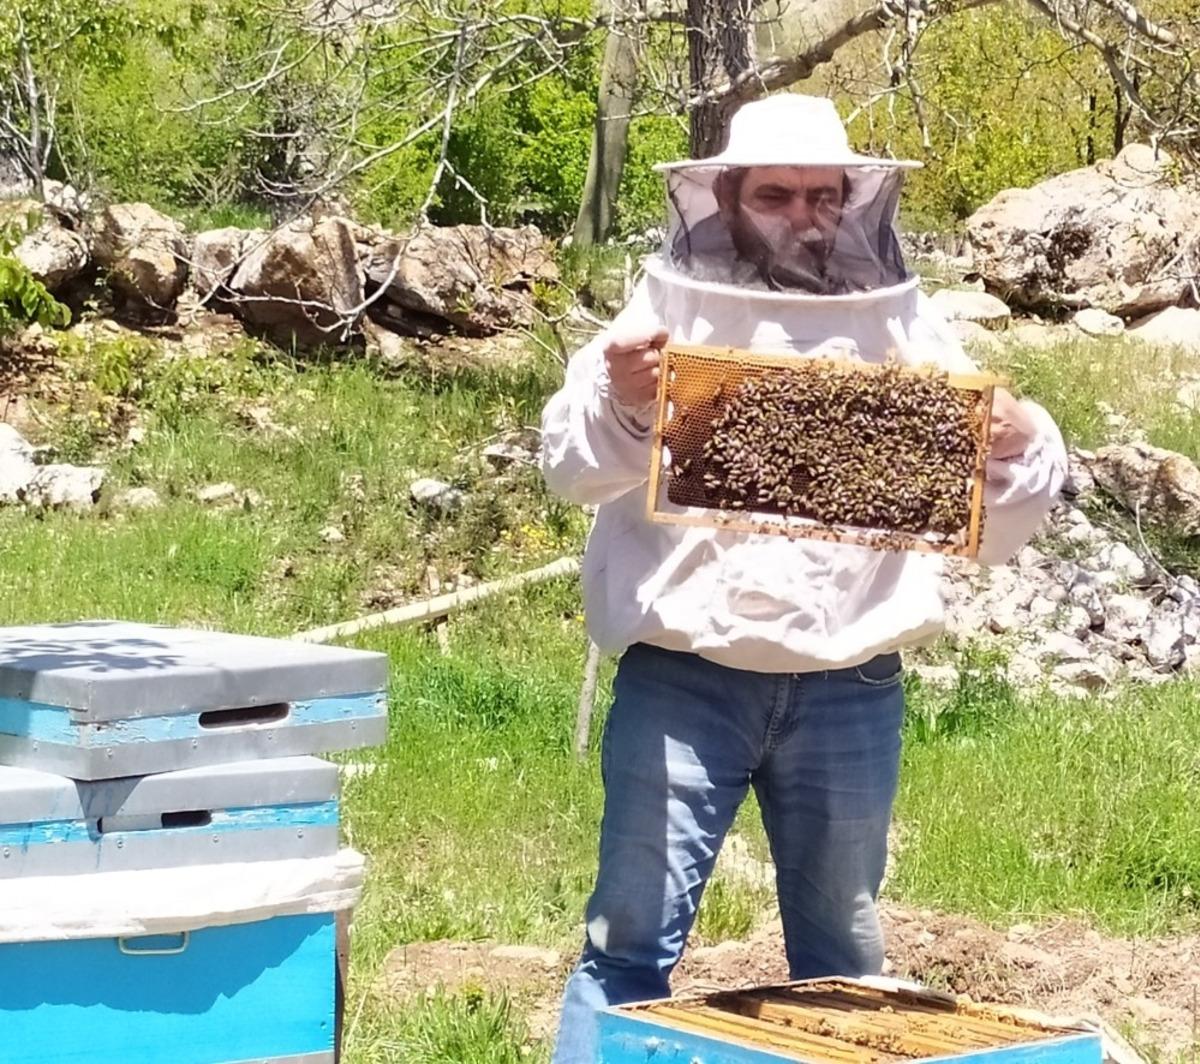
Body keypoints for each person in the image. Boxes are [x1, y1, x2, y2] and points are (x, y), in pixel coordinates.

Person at [541, 93, 1067, 1064]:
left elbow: (992, 526)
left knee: (845, 971)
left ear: (853, 200)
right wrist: (621, 406)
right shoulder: (669, 304)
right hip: (683, 678)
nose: (804, 215)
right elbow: (570, 464)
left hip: (849, 689)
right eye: (777, 194)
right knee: (628, 942)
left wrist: (1025, 445)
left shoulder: (901, 317)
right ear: (729, 194)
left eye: (824, 195)